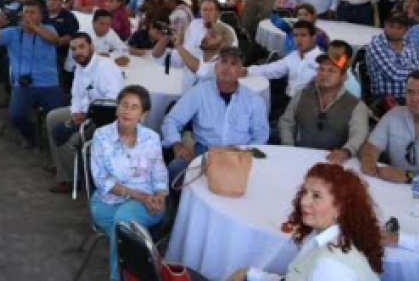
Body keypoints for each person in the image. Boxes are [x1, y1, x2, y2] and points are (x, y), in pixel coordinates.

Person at [227, 163, 384, 281]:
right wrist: (251, 274)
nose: (303, 201)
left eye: (316, 196)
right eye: (304, 192)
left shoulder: (330, 265)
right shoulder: (323, 235)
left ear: (340, 208)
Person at [88, 86, 168, 281]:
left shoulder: (152, 138)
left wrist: (160, 195)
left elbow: (159, 172)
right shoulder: (101, 136)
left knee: (123, 225)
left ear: (144, 114)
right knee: (125, 227)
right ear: (117, 108)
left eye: (134, 107)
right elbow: (101, 181)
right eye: (124, 105)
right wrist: (140, 195)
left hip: (145, 204)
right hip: (106, 202)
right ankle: (142, 265)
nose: (127, 111)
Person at [162, 48, 270, 181]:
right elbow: (172, 120)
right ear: (216, 67)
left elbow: (261, 135)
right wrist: (177, 144)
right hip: (205, 151)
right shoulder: (199, 93)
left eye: (233, 63)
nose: (227, 67)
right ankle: (181, 201)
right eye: (223, 62)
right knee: (175, 169)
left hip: (239, 153)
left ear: (241, 71)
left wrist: (244, 152)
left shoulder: (254, 100)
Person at [45, 34, 125, 193]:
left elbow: (114, 99)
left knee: (68, 139)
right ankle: (61, 165)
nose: (77, 52)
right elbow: (76, 95)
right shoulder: (80, 68)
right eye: (73, 49)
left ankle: (69, 180)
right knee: (52, 117)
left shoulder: (106, 67)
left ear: (92, 47)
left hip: (103, 119)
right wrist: (75, 112)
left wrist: (87, 114)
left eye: (82, 47)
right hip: (83, 113)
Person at [0, 0, 63, 146]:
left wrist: (34, 27)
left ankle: (57, 146)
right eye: (26, 12)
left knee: (58, 118)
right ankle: (30, 134)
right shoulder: (13, 32)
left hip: (49, 83)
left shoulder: (48, 29)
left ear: (40, 16)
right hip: (23, 83)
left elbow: (54, 39)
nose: (28, 15)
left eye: (32, 13)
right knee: (15, 115)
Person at [278, 54, 369, 161]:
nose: (324, 74)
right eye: (321, 69)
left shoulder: (356, 106)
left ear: (344, 77)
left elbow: (359, 135)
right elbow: (287, 122)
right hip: (299, 155)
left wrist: (346, 151)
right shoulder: (301, 95)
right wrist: (289, 146)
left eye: (331, 71)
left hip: (335, 161)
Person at [247, 20, 323, 99]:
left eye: (303, 35)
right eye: (295, 35)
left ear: (313, 38)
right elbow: (272, 69)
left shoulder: (322, 59)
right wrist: (247, 70)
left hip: (307, 102)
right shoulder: (292, 56)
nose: (299, 39)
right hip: (287, 98)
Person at [364, 14, 419, 102]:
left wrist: (411, 72)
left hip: (413, 96)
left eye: (399, 28)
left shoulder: (410, 43)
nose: (394, 31)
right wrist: (415, 71)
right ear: (385, 25)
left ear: (406, 30)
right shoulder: (376, 45)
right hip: (386, 99)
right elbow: (394, 74)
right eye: (391, 26)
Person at [174, 23, 235, 93]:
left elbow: (202, 71)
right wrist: (167, 38)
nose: (206, 36)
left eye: (212, 36)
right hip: (185, 101)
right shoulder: (193, 52)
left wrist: (179, 46)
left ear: (223, 45)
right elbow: (162, 56)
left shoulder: (223, 64)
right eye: (207, 33)